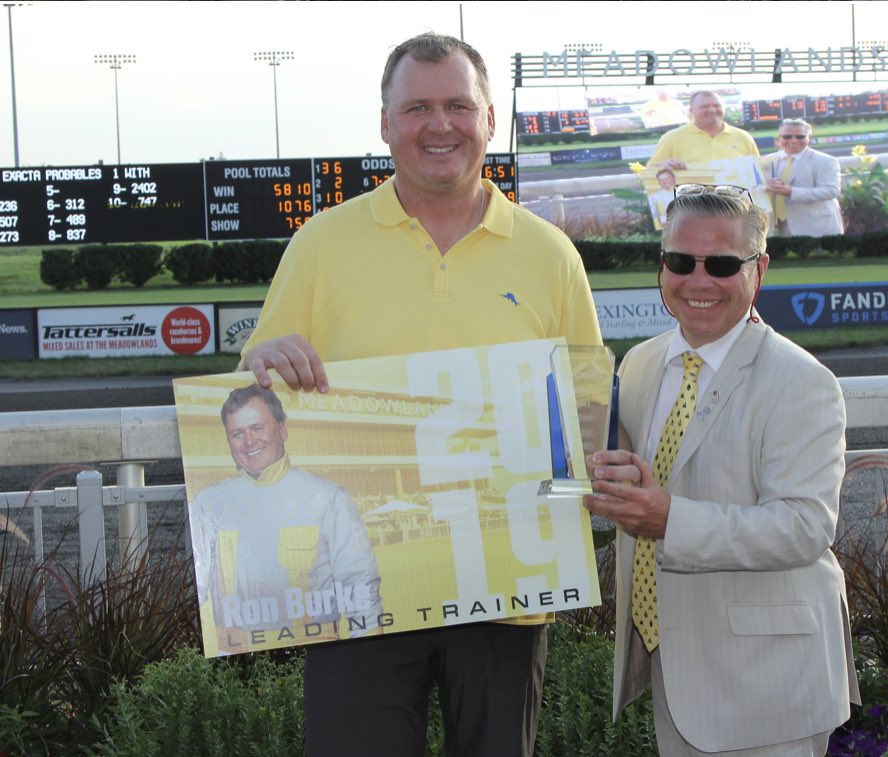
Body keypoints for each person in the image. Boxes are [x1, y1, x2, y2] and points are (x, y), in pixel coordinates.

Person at [238, 32, 601, 757]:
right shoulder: (320, 242)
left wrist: (573, 514)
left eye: (458, 105)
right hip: (359, 587)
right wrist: (263, 359)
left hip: (504, 586)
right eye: (417, 107)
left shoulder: (547, 251)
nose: (440, 125)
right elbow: (260, 381)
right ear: (384, 123)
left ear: (489, 119)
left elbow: (586, 409)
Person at [582, 186, 859, 755]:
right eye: (680, 262)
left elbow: (804, 527)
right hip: (674, 670)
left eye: (723, 264)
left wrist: (669, 521)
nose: (698, 281)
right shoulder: (638, 365)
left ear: (759, 270)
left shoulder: (802, 382)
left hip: (768, 683)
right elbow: (639, 486)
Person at [191, 384, 382, 655]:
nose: (249, 441)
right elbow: (191, 593)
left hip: (316, 660)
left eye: (258, 428)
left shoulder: (328, 498)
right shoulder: (207, 505)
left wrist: (367, 657)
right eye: (237, 433)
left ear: (282, 429)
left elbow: (360, 587)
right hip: (235, 668)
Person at [761, 118, 844, 237]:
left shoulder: (826, 161)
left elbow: (831, 191)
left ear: (809, 139)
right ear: (779, 139)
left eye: (800, 136)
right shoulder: (767, 160)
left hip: (817, 226)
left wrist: (791, 191)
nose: (794, 141)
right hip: (780, 227)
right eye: (787, 137)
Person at [648, 91, 760, 171]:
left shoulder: (743, 137)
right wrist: (661, 165)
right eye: (704, 107)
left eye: (717, 106)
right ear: (691, 111)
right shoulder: (671, 138)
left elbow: (759, 171)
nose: (712, 110)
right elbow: (650, 173)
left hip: (734, 203)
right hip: (691, 204)